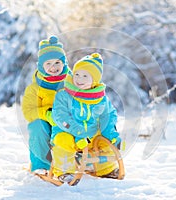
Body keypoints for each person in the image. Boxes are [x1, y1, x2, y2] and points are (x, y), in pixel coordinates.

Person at [50, 53, 121, 183]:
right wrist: (78, 133)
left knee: (104, 141)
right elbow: (61, 117)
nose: (79, 79)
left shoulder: (101, 99)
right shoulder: (64, 95)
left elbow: (108, 116)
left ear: (94, 80)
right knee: (63, 141)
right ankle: (65, 172)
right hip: (67, 130)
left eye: (85, 76)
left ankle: (107, 169)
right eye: (77, 74)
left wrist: (111, 134)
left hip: (90, 134)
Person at [22, 35, 70, 175]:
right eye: (48, 64)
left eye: (57, 63)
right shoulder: (34, 88)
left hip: (69, 121)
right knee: (36, 126)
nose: (53, 67)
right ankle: (41, 164)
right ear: (41, 66)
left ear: (64, 63)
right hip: (46, 122)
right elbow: (28, 111)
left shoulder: (73, 82)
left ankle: (85, 160)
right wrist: (47, 114)